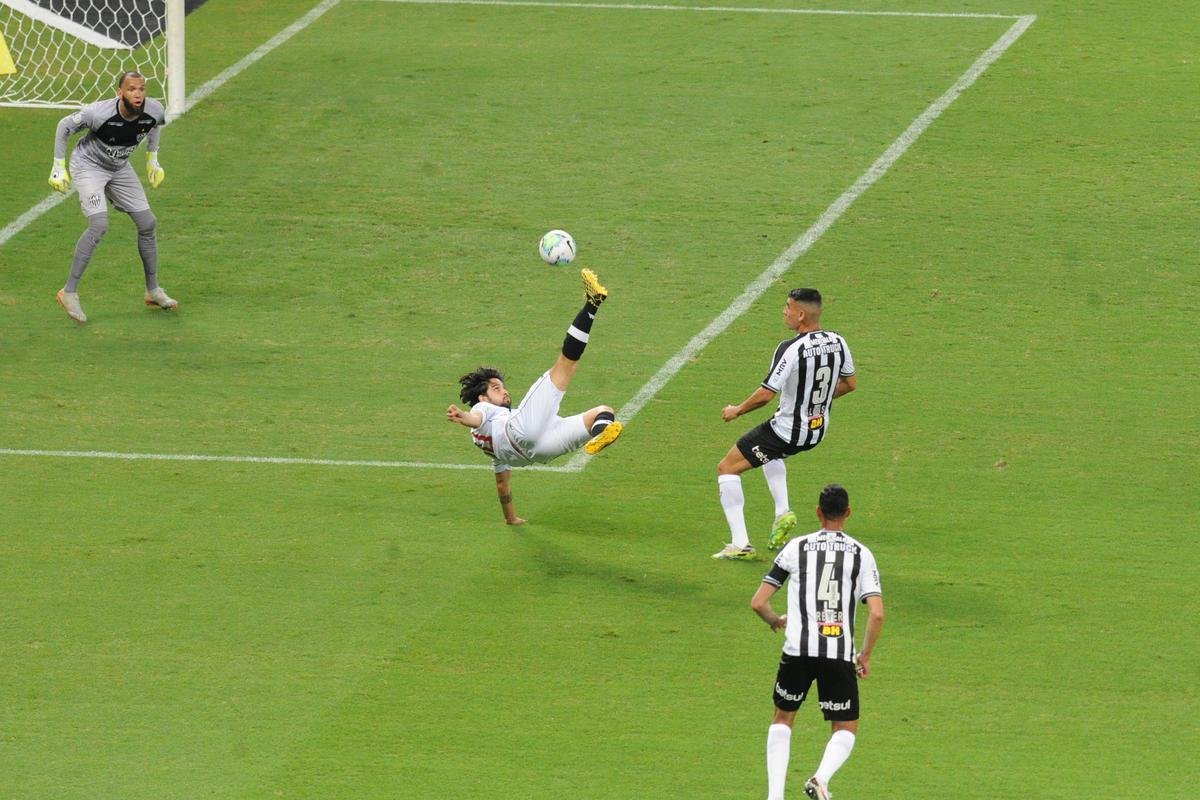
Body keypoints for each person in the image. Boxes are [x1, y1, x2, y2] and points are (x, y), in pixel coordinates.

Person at [446, 268, 624, 524]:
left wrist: (511, 518)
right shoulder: (484, 411)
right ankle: (593, 301)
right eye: (496, 388)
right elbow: (475, 417)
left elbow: (502, 486)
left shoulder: (488, 444)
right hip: (521, 430)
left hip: (539, 453)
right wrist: (462, 416)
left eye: (502, 386)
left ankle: (600, 434)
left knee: (602, 412)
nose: (504, 390)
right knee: (565, 363)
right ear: (482, 398)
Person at [750, 484, 884, 800]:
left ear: (818, 513)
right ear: (848, 513)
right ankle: (820, 779)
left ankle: (774, 796)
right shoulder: (862, 554)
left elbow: (758, 602)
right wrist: (865, 654)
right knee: (845, 728)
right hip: (838, 653)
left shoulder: (795, 548)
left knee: (783, 718)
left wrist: (775, 620)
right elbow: (876, 614)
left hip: (797, 649)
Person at [712, 288, 856, 560]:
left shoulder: (790, 349)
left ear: (801, 314)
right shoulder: (838, 341)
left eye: (788, 307)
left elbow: (766, 394)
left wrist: (736, 411)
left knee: (727, 468)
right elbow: (850, 384)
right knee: (768, 452)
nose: (784, 311)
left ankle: (740, 544)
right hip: (817, 431)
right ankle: (781, 512)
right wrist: (818, 398)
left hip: (787, 431)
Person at [48, 70, 176, 324]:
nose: (137, 94)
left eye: (141, 89)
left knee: (148, 223)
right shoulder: (99, 113)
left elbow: (154, 126)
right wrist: (58, 166)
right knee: (99, 225)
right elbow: (65, 126)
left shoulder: (154, 110)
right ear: (120, 92)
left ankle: (152, 290)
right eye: (131, 89)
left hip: (119, 168)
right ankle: (69, 292)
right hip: (88, 167)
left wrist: (153, 160)